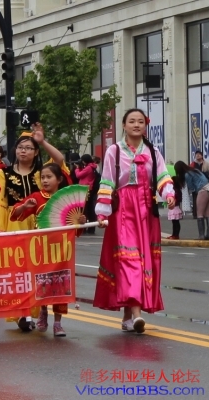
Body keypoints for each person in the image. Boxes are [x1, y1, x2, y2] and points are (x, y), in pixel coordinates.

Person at [95, 108, 175, 334]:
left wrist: (168, 194)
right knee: (129, 260)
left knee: (142, 261)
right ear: (124, 125)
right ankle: (137, 314)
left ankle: (127, 315)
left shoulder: (152, 151)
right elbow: (107, 181)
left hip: (147, 210)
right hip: (124, 210)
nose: (136, 125)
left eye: (140, 121)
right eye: (132, 121)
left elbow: (162, 176)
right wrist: (102, 212)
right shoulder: (114, 151)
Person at [0, 123, 66, 332]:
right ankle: (21, 313)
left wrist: (43, 141)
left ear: (36, 152)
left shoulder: (41, 173)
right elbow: (1, 201)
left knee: (38, 270)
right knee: (17, 271)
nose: (23, 151)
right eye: (20, 147)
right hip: (15, 221)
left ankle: (35, 311)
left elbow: (59, 160)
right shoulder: (5, 173)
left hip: (40, 223)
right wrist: (0, 228)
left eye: (28, 148)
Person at [11, 163, 81, 337]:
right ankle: (43, 310)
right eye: (42, 177)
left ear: (59, 179)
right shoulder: (36, 197)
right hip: (41, 250)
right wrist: (25, 206)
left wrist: (81, 221)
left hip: (62, 250)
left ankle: (58, 323)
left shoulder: (67, 199)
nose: (45, 180)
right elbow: (15, 214)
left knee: (61, 285)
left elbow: (76, 231)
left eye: (49, 177)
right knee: (42, 283)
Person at [174, 160, 209, 239]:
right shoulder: (195, 170)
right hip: (208, 187)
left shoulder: (187, 174)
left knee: (199, 213)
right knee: (207, 213)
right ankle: (208, 235)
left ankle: (201, 235)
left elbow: (191, 187)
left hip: (202, 190)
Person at [75, 154, 100, 234]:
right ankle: (90, 228)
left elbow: (78, 175)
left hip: (86, 190)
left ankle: (86, 227)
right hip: (88, 189)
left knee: (85, 209)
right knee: (89, 208)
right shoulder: (92, 166)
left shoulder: (89, 168)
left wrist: (77, 168)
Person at [167, 174, 183, 240]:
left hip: (175, 207)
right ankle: (174, 234)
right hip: (175, 207)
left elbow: (179, 199)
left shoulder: (176, 190)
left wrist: (174, 200)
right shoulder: (176, 190)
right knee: (175, 222)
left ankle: (175, 235)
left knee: (175, 223)